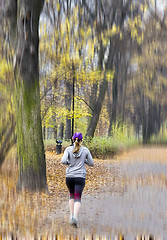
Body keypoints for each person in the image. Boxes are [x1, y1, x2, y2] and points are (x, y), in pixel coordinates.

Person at [61, 132, 94, 227]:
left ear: (72, 139)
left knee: (71, 196)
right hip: (80, 177)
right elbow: (91, 163)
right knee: (77, 197)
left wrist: (69, 162)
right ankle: (75, 217)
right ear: (81, 140)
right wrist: (84, 161)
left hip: (70, 176)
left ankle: (71, 216)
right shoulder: (85, 150)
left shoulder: (68, 149)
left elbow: (63, 161)